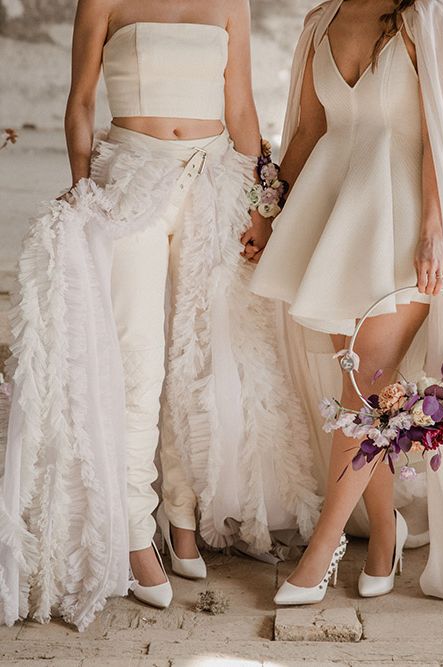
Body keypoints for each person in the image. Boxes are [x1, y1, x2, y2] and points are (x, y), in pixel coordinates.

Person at [0, 0, 319, 630]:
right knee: (139, 358)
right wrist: (82, 182)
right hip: (130, 183)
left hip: (211, 185)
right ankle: (132, 534)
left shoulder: (232, 4)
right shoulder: (103, 1)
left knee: (197, 358)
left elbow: (242, 109)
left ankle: (182, 514)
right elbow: (81, 103)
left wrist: (260, 206)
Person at [250, 0, 443, 605]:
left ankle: (322, 552)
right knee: (365, 388)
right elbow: (311, 132)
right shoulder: (320, 23)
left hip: (405, 220)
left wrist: (435, 230)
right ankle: (386, 537)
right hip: (333, 220)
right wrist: (269, 210)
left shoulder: (427, 22)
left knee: (364, 383)